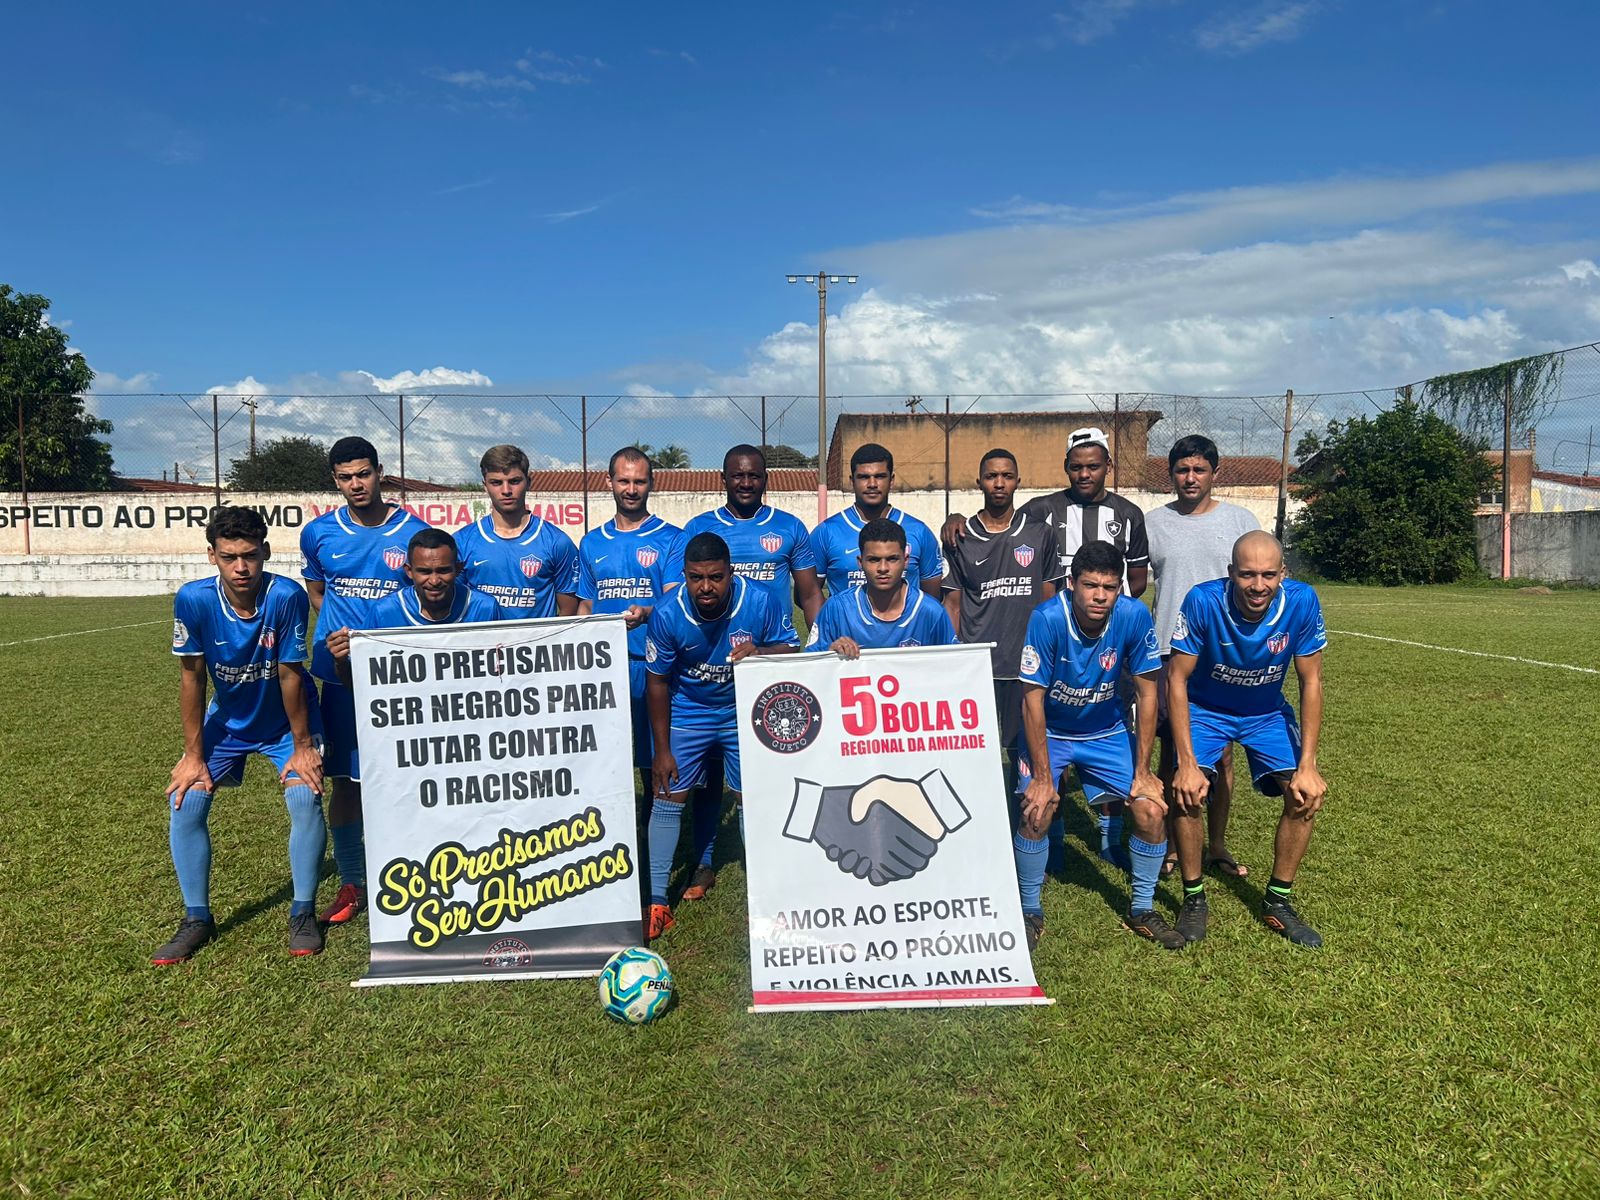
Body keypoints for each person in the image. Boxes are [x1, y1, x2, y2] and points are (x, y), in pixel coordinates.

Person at [946, 426, 1150, 868]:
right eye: (1076, 466)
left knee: (1103, 729)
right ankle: (1044, 833)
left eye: (1093, 466)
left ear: (1107, 468)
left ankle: (1109, 835)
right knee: (1031, 743)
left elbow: (1135, 582)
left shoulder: (1129, 513)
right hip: (1035, 651)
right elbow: (1037, 590)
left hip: (1102, 649)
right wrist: (953, 519)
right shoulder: (1041, 513)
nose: (1085, 473)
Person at [153, 506, 327, 964]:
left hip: (286, 724)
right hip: (228, 720)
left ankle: (303, 911)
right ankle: (196, 918)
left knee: (305, 796)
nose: (241, 567)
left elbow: (291, 675)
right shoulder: (193, 600)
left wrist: (304, 747)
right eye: (230, 556)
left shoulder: (285, 596)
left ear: (266, 552)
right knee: (185, 798)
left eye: (250, 555)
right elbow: (192, 678)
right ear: (212, 555)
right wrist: (194, 756)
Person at [1167, 531, 1329, 948]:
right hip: (1206, 711)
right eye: (1247, 575)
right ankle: (1193, 897)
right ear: (1230, 574)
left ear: (1283, 574)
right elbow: (1177, 679)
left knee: (1304, 795)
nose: (1258, 586)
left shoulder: (1303, 601)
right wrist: (1185, 762)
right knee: (1186, 792)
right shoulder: (1203, 600)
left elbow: (1311, 681)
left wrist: (1309, 765)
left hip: (1266, 714)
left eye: (1268, 575)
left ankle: (1278, 901)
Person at [1013, 542, 1175, 952]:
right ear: (1071, 584)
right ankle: (1028, 910)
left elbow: (1147, 693)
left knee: (1151, 808)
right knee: (1037, 810)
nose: (1100, 596)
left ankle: (1141, 908)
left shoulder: (1134, 616)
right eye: (1090, 586)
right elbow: (1031, 699)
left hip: (1105, 732)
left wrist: (1144, 770)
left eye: (1109, 586)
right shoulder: (1047, 618)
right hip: (1051, 729)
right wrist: (1045, 778)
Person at [678, 444, 823, 899]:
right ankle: (702, 863)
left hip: (767, 663)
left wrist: (817, 649)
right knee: (707, 774)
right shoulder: (699, 528)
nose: (745, 483)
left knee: (772, 770)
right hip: (708, 665)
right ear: (724, 478)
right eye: (737, 475)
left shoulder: (789, 528)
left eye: (754, 475)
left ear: (766, 479)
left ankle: (773, 864)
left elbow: (808, 596)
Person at [300, 436, 431, 927]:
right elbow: (318, 593)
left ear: (380, 472)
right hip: (337, 677)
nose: (356, 484)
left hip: (399, 678)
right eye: (345, 477)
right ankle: (353, 880)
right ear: (335, 480)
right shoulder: (318, 534)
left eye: (364, 474)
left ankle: (417, 870)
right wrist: (345, 641)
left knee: (408, 775)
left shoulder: (414, 532)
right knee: (346, 780)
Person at [642, 532, 800, 939]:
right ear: (685, 575)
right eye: (696, 578)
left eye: (715, 577)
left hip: (743, 710)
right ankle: (658, 902)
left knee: (752, 798)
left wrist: (762, 654)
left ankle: (770, 899)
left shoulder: (760, 600)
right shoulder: (667, 613)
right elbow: (657, 682)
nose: (706, 587)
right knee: (667, 795)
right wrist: (661, 750)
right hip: (689, 712)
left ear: (731, 573)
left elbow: (792, 650)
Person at [1145, 434, 1262, 881]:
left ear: (1215, 473)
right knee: (1173, 754)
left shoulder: (1240, 520)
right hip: (1167, 652)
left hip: (1224, 656)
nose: (1189, 478)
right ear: (1171, 474)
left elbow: (1258, 584)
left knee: (1223, 757)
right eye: (1181, 470)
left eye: (1198, 470)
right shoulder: (1154, 523)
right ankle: (1174, 846)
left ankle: (1216, 845)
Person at [941, 448, 1064, 765]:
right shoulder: (960, 536)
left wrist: (1050, 652)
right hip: (977, 661)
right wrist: (953, 657)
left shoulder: (1041, 534)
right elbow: (952, 603)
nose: (999, 483)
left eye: (1007, 476)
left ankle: (1028, 811)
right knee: (973, 750)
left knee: (1027, 749)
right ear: (979, 482)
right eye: (991, 476)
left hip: (1026, 661)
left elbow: (1050, 600)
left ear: (1018, 482)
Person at [576, 447, 685, 776]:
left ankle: (653, 822)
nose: (631, 489)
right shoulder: (591, 542)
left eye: (639, 481)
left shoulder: (672, 538)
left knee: (655, 756)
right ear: (608, 481)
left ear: (652, 483)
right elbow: (586, 603)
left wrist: (647, 613)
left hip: (652, 664)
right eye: (624, 481)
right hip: (604, 664)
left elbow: (674, 603)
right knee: (607, 756)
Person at [456, 443, 579, 619]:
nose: (506, 490)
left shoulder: (557, 542)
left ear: (528, 482)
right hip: (482, 645)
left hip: (535, 646)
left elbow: (568, 613)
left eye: (514, 481)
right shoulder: (462, 541)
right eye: (496, 483)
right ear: (485, 486)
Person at [807, 518, 958, 656]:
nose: (883, 568)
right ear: (860, 562)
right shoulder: (836, 608)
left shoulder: (931, 612)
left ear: (906, 561)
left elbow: (953, 664)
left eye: (892, 559)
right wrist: (829, 652)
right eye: (874, 560)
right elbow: (809, 665)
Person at [812, 442, 945, 599]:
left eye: (880, 476)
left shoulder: (919, 531)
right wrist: (828, 622)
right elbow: (808, 595)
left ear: (892, 480)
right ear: (851, 481)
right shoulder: (826, 532)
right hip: (846, 624)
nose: (872, 484)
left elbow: (932, 597)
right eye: (864, 477)